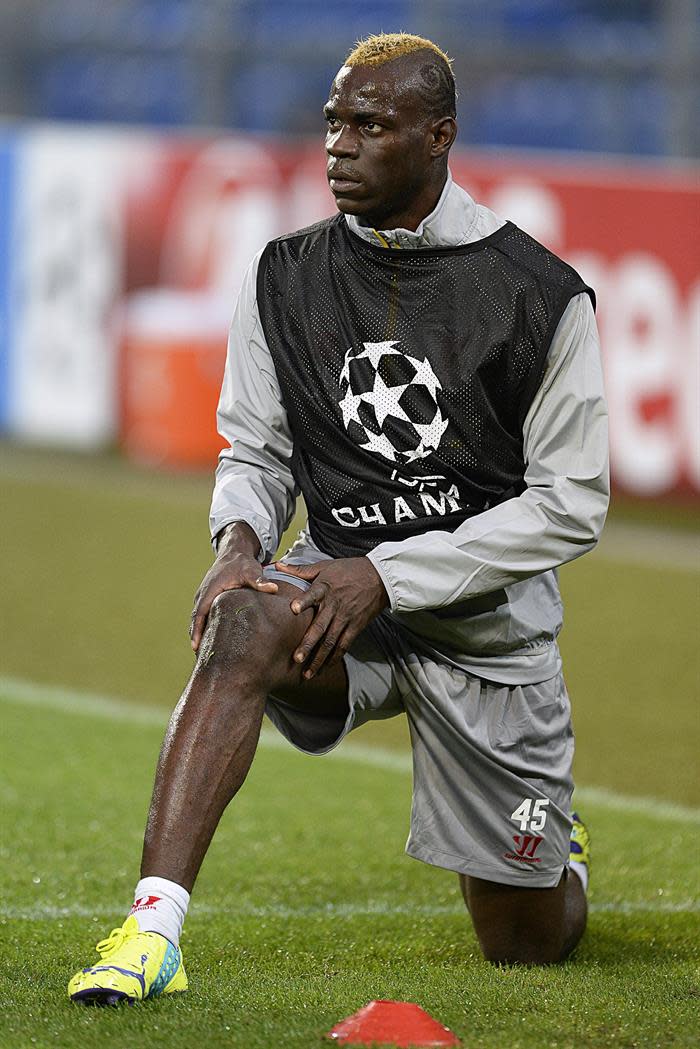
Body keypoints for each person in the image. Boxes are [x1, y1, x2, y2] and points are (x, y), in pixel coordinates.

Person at [68, 31, 608, 1004]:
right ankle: (152, 931)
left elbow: (571, 504)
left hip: (485, 635)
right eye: (332, 124)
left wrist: (390, 575)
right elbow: (259, 450)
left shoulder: (539, 297)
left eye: (370, 125)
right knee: (239, 623)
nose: (339, 147)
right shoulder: (284, 275)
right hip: (334, 598)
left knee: (525, 946)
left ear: (438, 136)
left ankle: (555, 855)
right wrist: (238, 541)